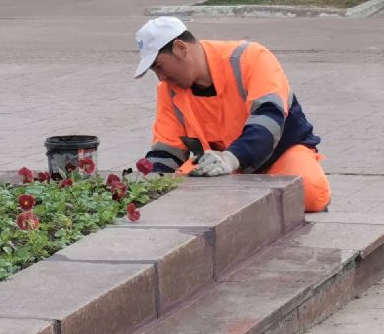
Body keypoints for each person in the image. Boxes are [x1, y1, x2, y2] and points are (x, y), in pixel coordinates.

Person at [133, 17, 330, 213]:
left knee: (310, 194)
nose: (160, 77)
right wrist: (145, 184)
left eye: (159, 66)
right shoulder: (168, 89)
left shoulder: (251, 58)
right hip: (219, 164)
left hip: (279, 154)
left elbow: (269, 120)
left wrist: (231, 158)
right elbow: (167, 151)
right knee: (181, 197)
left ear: (180, 48)